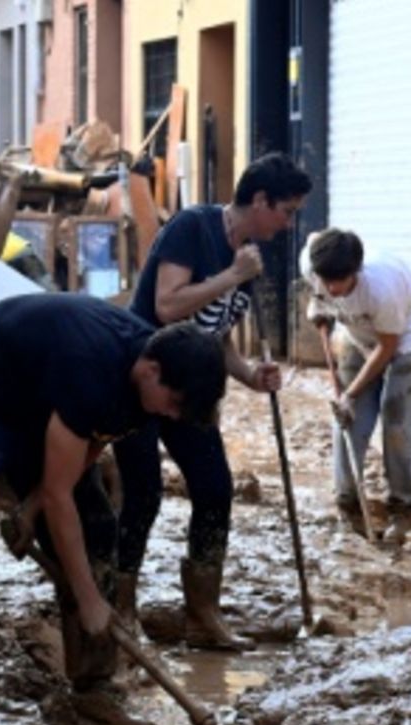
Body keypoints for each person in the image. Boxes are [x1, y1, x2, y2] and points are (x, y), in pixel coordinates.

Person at [0, 293, 227, 725]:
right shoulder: (95, 369)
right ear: (150, 370)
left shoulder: (147, 389)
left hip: (43, 405)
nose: (173, 415)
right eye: (174, 403)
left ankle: (94, 689)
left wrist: (30, 508)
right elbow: (61, 494)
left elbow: (94, 440)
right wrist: (89, 599)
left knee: (98, 526)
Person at [110, 152, 312, 650]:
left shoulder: (250, 255)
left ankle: (203, 613)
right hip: (146, 378)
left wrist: (248, 374)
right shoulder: (193, 227)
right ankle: (120, 610)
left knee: (215, 487)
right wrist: (232, 276)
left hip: (193, 385)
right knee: (144, 493)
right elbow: (168, 304)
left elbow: (214, 332)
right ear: (259, 200)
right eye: (285, 211)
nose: (288, 224)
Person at [301, 228, 411, 543]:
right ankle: (348, 502)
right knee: (348, 420)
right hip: (357, 335)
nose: (332, 288)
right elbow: (314, 239)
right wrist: (318, 306)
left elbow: (386, 349)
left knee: (398, 424)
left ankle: (403, 505)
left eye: (340, 281)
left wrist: (350, 392)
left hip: (404, 341)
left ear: (356, 270)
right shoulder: (312, 264)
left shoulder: (382, 288)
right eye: (325, 281)